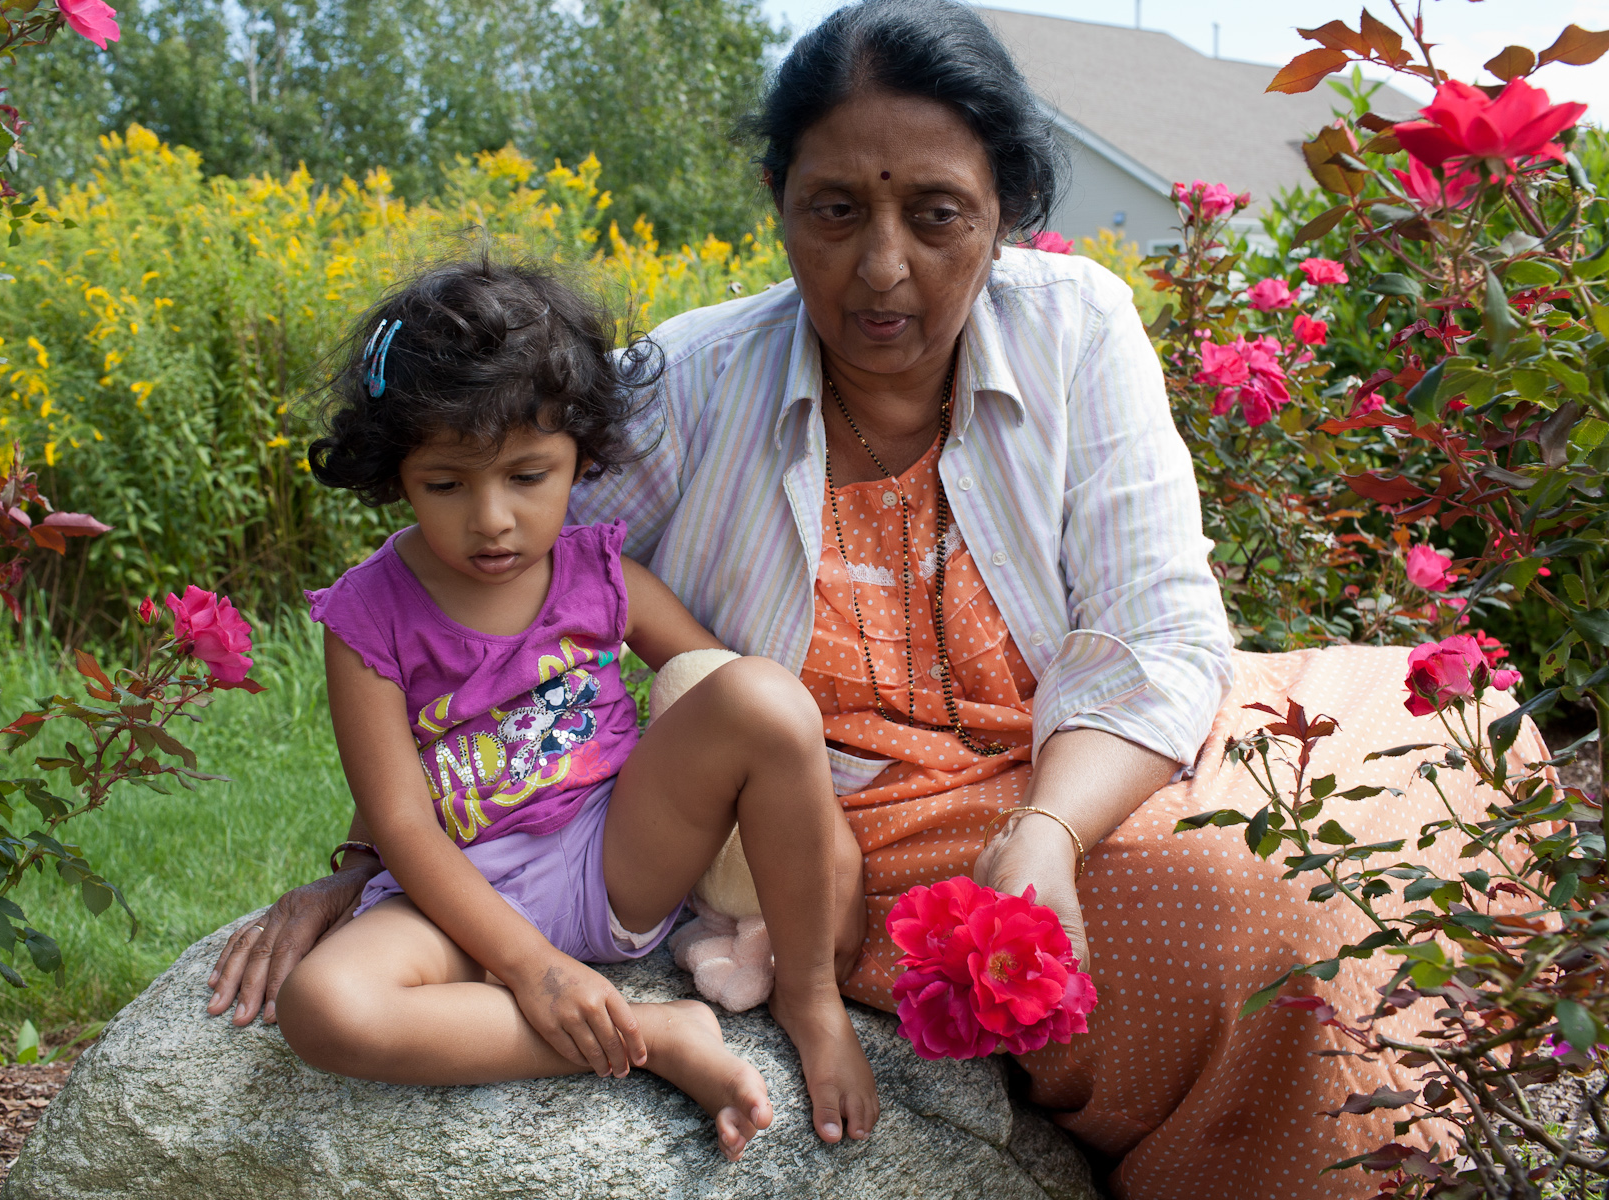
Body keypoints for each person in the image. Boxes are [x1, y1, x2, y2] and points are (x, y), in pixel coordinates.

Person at [211, 2, 1549, 1195]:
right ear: (780, 201)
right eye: (835, 209)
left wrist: (1046, 834)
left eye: (937, 213)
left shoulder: (1078, 327)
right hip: (862, 826)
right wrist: (371, 874)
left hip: (1098, 760)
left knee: (1414, 782)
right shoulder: (693, 382)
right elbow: (482, 566)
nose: (883, 267)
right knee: (1261, 927)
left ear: (1007, 208)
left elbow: (1156, 630)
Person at [266, 258, 878, 1163]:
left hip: (618, 854)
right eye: (446, 484)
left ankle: (808, 999)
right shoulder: (365, 616)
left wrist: (825, 853)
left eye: (528, 476)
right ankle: (651, 1034)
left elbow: (729, 701)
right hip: (456, 892)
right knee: (325, 1007)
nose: (492, 519)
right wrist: (533, 969)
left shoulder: (599, 573)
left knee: (761, 693)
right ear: (396, 474)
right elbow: (401, 824)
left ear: (581, 458)